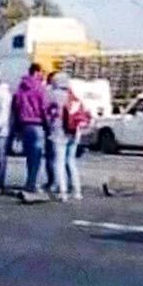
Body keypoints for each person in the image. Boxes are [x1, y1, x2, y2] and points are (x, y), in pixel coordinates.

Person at [12, 63, 54, 196]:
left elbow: (16, 105)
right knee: (36, 157)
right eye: (42, 72)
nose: (43, 75)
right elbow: (44, 107)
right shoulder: (40, 88)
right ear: (36, 72)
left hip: (25, 124)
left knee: (29, 156)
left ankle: (29, 182)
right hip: (37, 125)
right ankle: (32, 184)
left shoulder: (21, 87)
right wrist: (48, 125)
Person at [48, 72, 84, 201]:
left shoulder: (53, 95)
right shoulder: (73, 96)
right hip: (75, 132)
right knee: (71, 161)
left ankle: (62, 191)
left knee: (59, 162)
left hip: (59, 133)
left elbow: (49, 114)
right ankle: (77, 190)